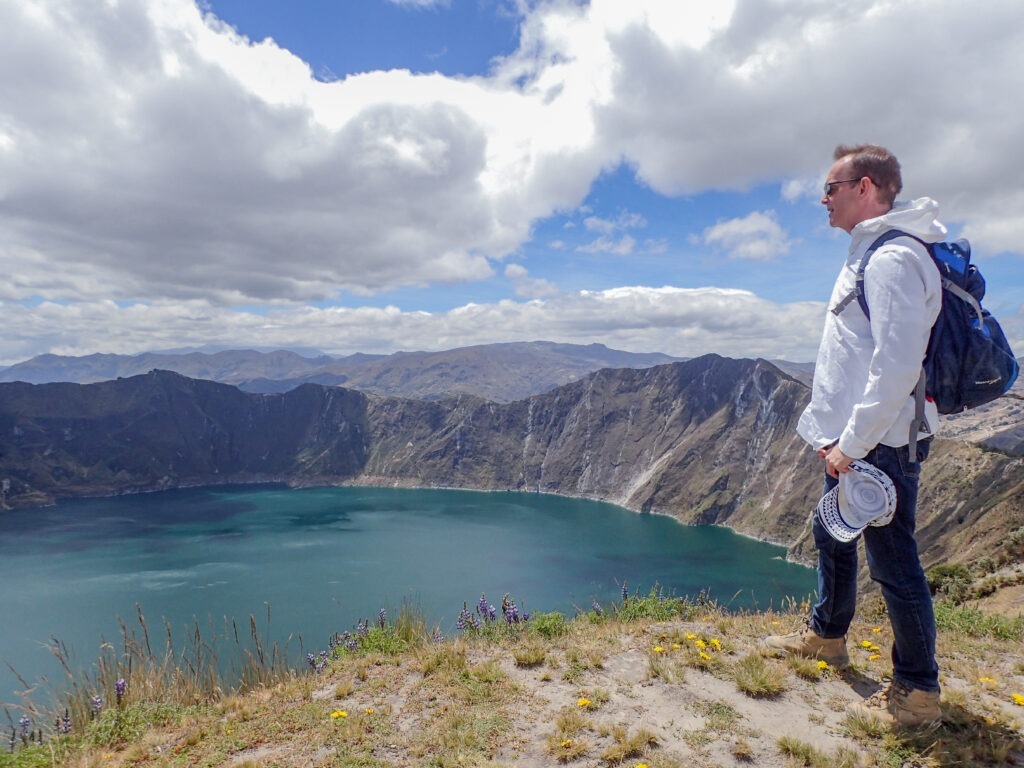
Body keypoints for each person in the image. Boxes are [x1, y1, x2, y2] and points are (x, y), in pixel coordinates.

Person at [764, 144, 944, 728]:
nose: (823, 198)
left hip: (879, 443)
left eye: (831, 187)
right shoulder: (872, 253)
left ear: (864, 187)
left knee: (893, 563)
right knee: (832, 533)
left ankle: (917, 692)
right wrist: (836, 436)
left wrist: (853, 443)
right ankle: (826, 636)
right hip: (854, 439)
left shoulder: (893, 258)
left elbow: (895, 366)